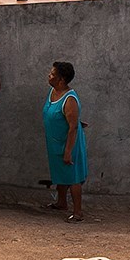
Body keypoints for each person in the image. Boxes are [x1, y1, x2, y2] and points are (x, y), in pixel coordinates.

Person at [42, 61, 88, 222]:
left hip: (69, 142)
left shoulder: (69, 99)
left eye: (52, 74)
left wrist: (68, 151)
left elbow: (72, 127)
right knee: (60, 172)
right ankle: (61, 203)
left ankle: (78, 212)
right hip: (56, 142)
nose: (49, 75)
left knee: (73, 175)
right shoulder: (53, 92)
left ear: (61, 80)